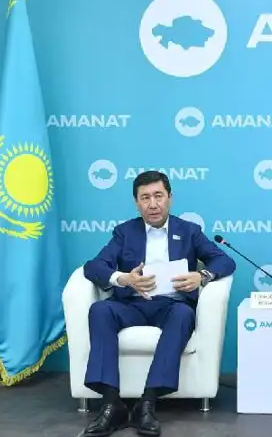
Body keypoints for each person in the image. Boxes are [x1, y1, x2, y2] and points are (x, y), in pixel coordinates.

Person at [81, 171, 235, 437]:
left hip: (171, 306)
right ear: (136, 203)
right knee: (100, 309)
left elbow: (224, 261)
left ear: (170, 198)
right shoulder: (125, 232)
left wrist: (201, 276)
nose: (152, 204)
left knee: (183, 315)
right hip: (132, 305)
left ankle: (148, 403)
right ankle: (111, 403)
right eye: (145, 198)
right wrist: (123, 279)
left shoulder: (189, 231)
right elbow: (93, 266)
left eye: (158, 196)